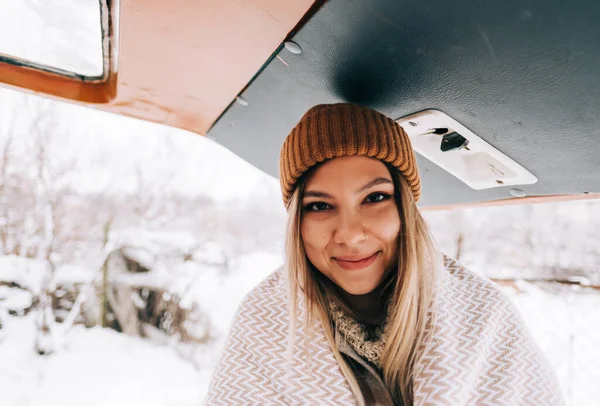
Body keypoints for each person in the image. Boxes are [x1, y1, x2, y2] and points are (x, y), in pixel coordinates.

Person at [205, 104, 564, 405]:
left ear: (405, 208)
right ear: (296, 222)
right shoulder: (263, 324)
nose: (349, 234)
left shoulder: (483, 316)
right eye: (319, 206)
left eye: (374, 198)